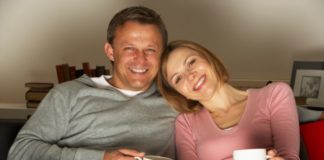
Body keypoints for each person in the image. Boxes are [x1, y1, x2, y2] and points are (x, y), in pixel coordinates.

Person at [8, 6, 177, 160]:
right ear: (110, 52)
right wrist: (99, 158)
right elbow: (20, 152)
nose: (140, 59)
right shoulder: (68, 94)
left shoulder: (175, 100)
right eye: (129, 48)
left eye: (150, 50)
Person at [157, 40, 300, 160]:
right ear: (180, 93)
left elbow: (289, 157)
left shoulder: (274, 94)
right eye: (178, 79)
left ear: (209, 59)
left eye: (191, 62)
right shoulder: (185, 123)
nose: (190, 76)